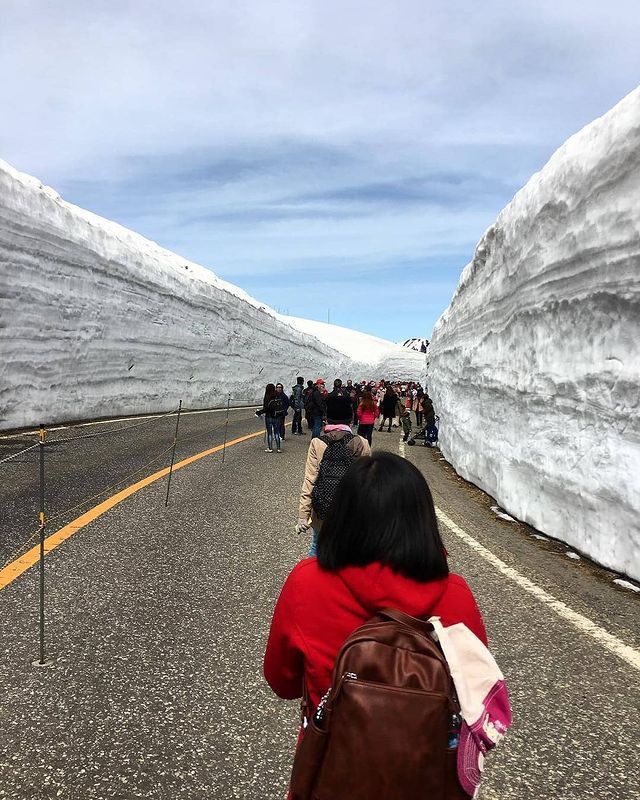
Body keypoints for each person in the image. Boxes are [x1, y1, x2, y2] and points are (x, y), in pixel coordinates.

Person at [264, 452, 488, 789]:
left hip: (329, 774)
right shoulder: (456, 596)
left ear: (341, 516)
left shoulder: (306, 583)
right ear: (423, 520)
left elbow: (282, 682)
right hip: (423, 780)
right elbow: (479, 700)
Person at [295, 395, 370, 556]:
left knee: (317, 545)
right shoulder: (362, 443)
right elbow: (367, 483)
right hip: (351, 510)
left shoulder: (318, 442)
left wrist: (303, 515)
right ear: (350, 421)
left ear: (327, 420)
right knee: (349, 551)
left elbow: (310, 479)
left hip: (322, 510)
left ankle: (313, 579)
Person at [254, 383, 285, 453]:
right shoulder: (277, 395)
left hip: (269, 417)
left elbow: (266, 408)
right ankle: (278, 448)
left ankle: (270, 448)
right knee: (277, 432)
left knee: (270, 433)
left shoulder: (267, 396)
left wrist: (259, 412)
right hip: (277, 416)